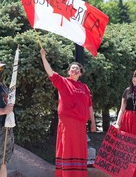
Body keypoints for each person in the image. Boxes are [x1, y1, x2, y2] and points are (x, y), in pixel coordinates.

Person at [40, 48, 96, 177]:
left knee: (79, 151)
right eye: (72, 68)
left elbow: (89, 106)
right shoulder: (63, 82)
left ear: (80, 73)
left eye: (77, 69)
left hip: (81, 125)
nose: (75, 70)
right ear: (68, 71)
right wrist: (43, 57)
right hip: (68, 123)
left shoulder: (84, 87)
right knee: (68, 149)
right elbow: (50, 72)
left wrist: (93, 122)